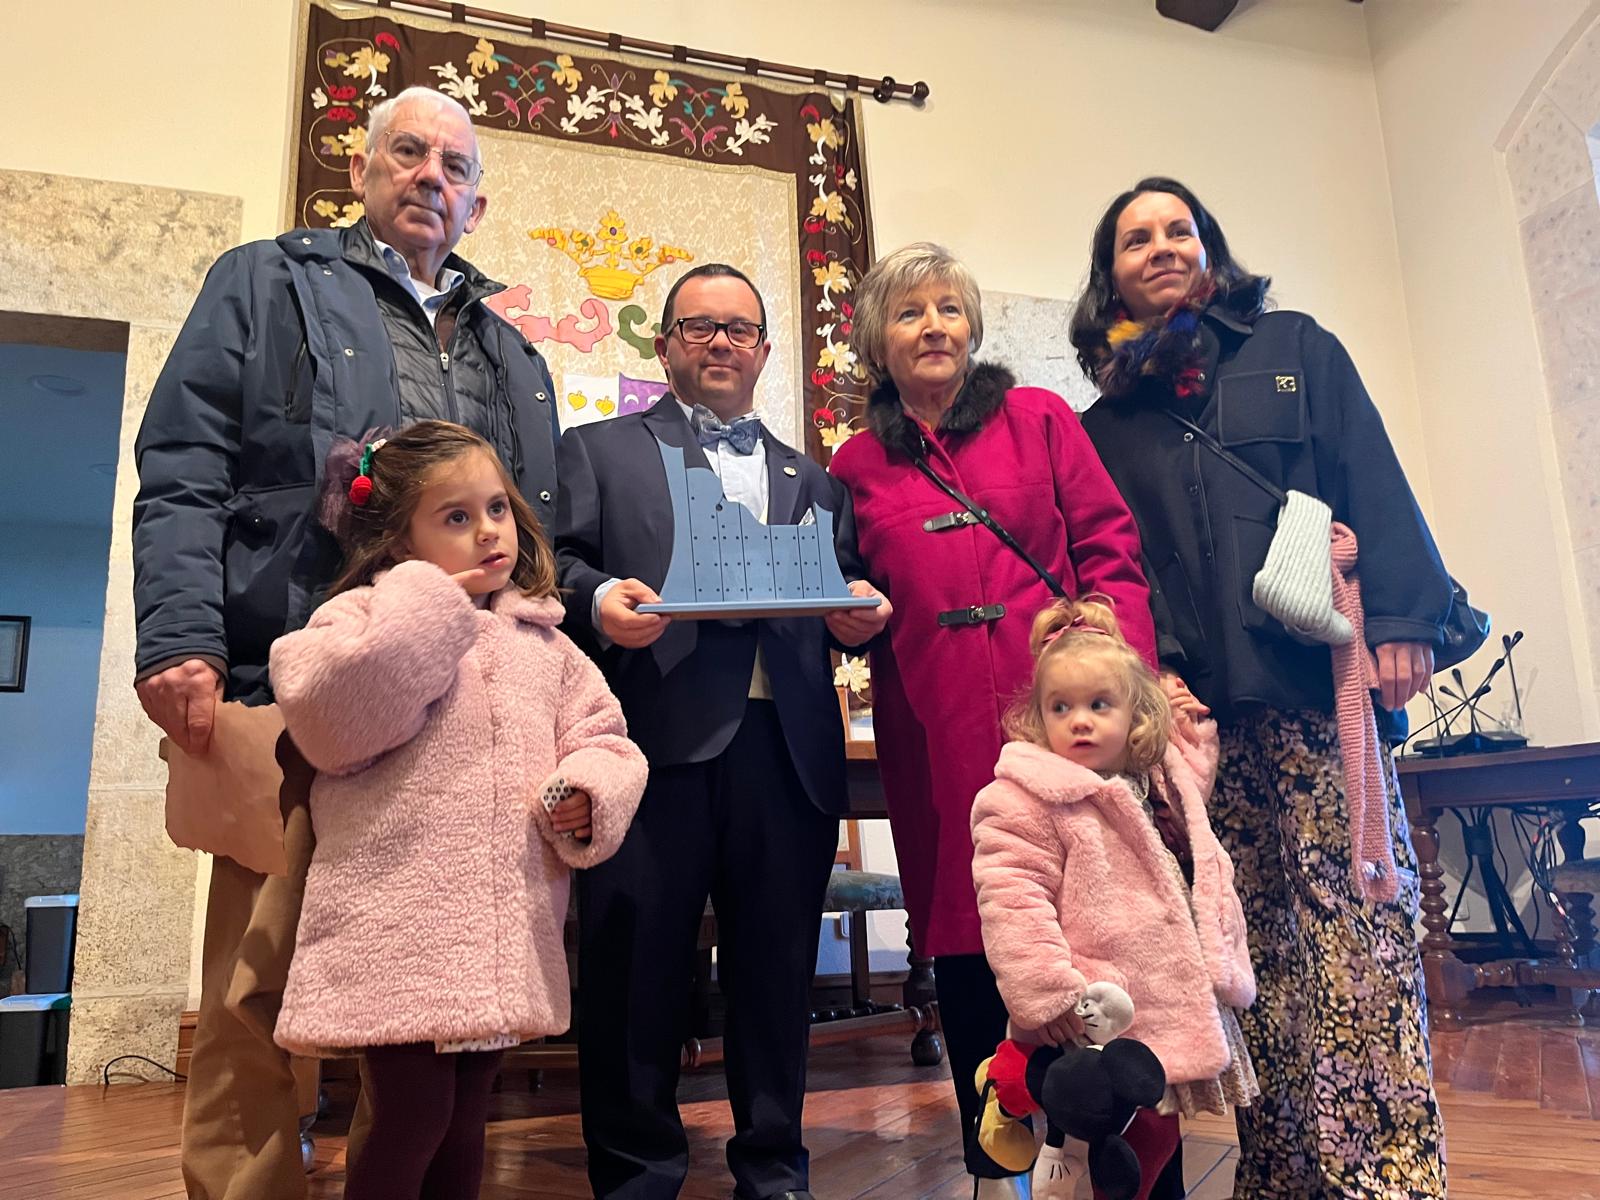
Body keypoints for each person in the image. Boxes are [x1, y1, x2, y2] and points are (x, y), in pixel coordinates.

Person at [130, 84, 559, 1199]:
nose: (431, 178)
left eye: (455, 167)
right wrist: (177, 635)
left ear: (475, 201)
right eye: (409, 153)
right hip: (291, 684)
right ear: (361, 169)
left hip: (456, 722)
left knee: (420, 1014)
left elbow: (543, 526)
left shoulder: (512, 350)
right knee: (252, 993)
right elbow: (183, 465)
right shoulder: (268, 282)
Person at [1070, 176, 1451, 1198]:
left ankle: (1384, 1171)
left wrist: (1406, 625)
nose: (1160, 247)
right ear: (1108, 276)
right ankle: (1280, 1170)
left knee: (1359, 925)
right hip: (1199, 724)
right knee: (1243, 950)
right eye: (1135, 238)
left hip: (1316, 693)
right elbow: (1120, 571)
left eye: (1178, 230)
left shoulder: (1294, 351)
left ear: (1210, 249)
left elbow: (1371, 475)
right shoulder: (1104, 427)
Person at [553, 262, 891, 1200]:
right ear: (663, 345)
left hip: (787, 755)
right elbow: (558, 567)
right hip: (649, 749)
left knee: (778, 974)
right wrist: (595, 597)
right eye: (698, 327)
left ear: (765, 351)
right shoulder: (597, 451)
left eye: (739, 329)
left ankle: (775, 1169)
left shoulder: (816, 479)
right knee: (633, 972)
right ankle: (636, 1177)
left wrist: (857, 607)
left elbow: (842, 583)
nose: (720, 342)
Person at [827, 242, 1156, 1197]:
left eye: (948, 309)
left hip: (1067, 725)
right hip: (938, 735)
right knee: (972, 941)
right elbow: (851, 594)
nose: (932, 326)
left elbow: (1109, 548)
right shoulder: (854, 463)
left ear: (972, 327)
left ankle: (1113, 1152)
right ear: (876, 341)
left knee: (1093, 930)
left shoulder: (1040, 419)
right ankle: (994, 1164)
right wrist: (849, 612)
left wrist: (1123, 678)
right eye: (909, 313)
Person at [269, 421, 645, 1200]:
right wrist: (427, 599)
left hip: (502, 924)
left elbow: (604, 736)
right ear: (397, 537)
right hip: (396, 923)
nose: (488, 532)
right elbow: (335, 723)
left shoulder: (546, 643)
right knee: (412, 1112)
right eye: (455, 517)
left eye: (498, 509)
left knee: (468, 1114)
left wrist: (585, 791)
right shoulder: (356, 621)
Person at [969, 597, 1258, 1200]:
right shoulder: (1025, 799)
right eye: (1061, 707)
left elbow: (1186, 815)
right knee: (1101, 1142)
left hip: (1164, 1001)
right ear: (1036, 716)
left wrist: (1197, 738)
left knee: (1155, 1136)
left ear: (1133, 715)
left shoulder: (1143, 781)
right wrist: (1048, 992)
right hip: (1095, 1009)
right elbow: (1012, 899)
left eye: (1099, 705)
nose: (1080, 721)